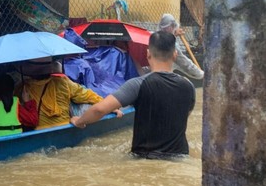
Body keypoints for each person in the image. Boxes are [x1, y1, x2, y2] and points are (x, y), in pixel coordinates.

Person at [71, 30, 195, 159]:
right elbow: (183, 116)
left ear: (148, 54)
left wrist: (79, 121)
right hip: (180, 158)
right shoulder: (189, 86)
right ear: (175, 55)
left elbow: (99, 109)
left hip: (145, 159)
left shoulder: (138, 84)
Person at [19, 57, 118, 129]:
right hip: (64, 127)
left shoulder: (22, 87)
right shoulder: (63, 82)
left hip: (38, 131)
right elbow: (87, 96)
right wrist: (109, 106)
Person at [153, 13, 204, 80]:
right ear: (170, 27)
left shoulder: (154, 37)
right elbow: (185, 63)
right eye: (173, 27)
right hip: (162, 77)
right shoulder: (171, 45)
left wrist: (174, 34)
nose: (174, 28)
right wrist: (201, 74)